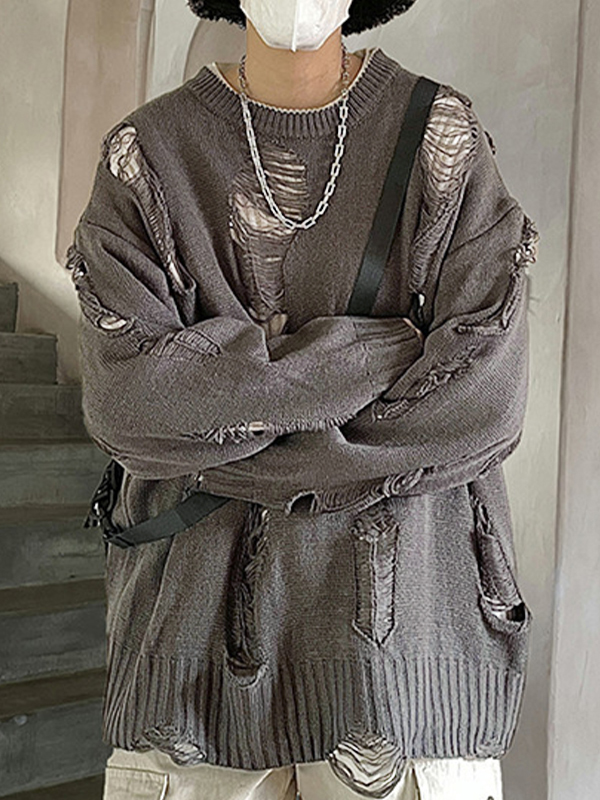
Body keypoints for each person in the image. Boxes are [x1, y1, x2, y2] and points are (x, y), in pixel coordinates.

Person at [65, 1, 539, 798]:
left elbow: (480, 403)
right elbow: (129, 402)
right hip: (191, 677)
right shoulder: (146, 155)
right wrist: (377, 351)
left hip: (401, 678)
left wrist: (223, 420)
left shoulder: (442, 140)